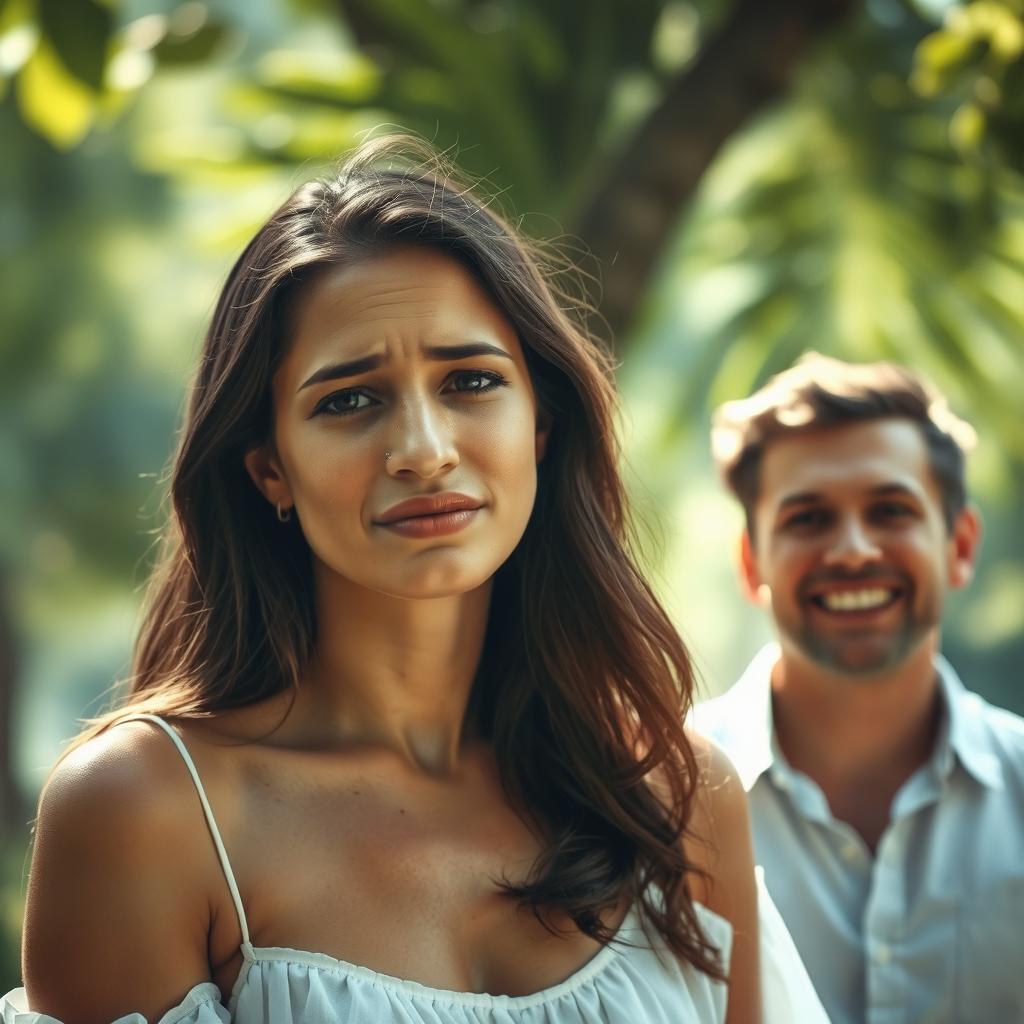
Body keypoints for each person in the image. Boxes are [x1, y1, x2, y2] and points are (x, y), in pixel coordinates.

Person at [1, 138, 827, 1024]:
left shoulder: (674, 799)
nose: (425, 452)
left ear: (540, 426)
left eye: (471, 381)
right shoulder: (151, 814)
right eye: (349, 400)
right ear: (269, 468)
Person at [694, 352, 1024, 1023]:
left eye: (890, 510)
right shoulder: (653, 807)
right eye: (808, 519)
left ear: (959, 546)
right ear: (751, 561)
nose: (851, 551)